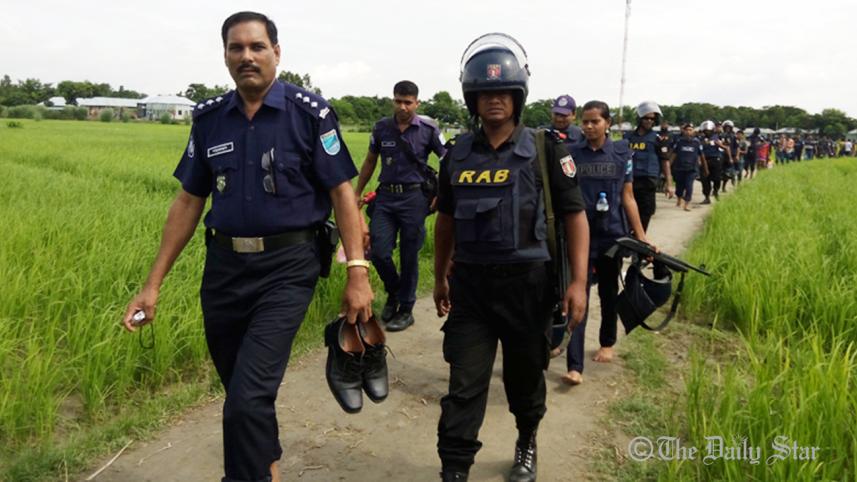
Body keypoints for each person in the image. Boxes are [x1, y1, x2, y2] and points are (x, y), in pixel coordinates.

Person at [121, 12, 373, 482]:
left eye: (257, 47)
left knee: (246, 397)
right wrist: (151, 285)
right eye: (236, 49)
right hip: (223, 270)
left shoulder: (310, 112)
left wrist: (356, 272)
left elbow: (343, 193)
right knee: (242, 389)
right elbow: (188, 200)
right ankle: (267, 465)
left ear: (276, 52)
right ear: (225, 56)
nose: (247, 57)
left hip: (288, 268)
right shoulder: (211, 119)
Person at [432, 33, 589, 482]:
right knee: (463, 387)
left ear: (518, 97)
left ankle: (526, 440)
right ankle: (455, 468)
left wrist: (578, 284)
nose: (494, 100)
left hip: (528, 287)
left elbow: (576, 217)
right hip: (472, 290)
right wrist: (440, 275)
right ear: (472, 99)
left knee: (524, 381)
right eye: (485, 93)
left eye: (503, 92)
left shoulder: (544, 149)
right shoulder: (456, 155)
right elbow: (446, 221)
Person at [559, 100, 651, 386]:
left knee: (609, 293)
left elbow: (628, 197)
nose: (588, 127)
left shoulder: (622, 153)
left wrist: (642, 237)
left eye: (595, 122)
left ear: (607, 123)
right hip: (580, 237)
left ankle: (607, 342)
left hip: (611, 235)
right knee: (577, 295)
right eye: (585, 122)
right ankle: (575, 365)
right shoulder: (571, 154)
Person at [354, 81, 446, 332]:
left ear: (417, 103)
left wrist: (443, 193)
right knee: (380, 251)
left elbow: (448, 160)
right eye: (398, 101)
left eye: (408, 102)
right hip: (385, 198)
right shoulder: (382, 128)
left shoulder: (428, 129)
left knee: (409, 256)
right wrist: (357, 192)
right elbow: (370, 160)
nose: (403, 106)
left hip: (414, 199)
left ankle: (406, 309)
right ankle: (394, 292)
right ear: (393, 100)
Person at [624, 101, 673, 232]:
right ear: (640, 118)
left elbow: (665, 161)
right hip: (629, 181)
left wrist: (669, 183)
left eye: (652, 118)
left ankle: (640, 243)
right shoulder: (627, 138)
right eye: (646, 118)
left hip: (648, 182)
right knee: (627, 214)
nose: (649, 121)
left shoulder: (658, 139)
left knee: (646, 214)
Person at [671, 122, 705, 210]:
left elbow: (701, 155)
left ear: (693, 131)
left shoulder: (696, 142)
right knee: (679, 186)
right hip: (680, 167)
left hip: (692, 168)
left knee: (689, 185)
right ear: (684, 131)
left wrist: (702, 165)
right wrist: (670, 165)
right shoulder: (679, 142)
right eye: (687, 130)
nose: (688, 132)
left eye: (690, 130)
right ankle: (679, 198)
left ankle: (687, 203)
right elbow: (674, 154)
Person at [699, 120, 728, 203]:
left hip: (715, 160)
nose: (707, 132)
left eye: (708, 130)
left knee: (717, 178)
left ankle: (715, 191)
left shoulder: (717, 137)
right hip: (705, 160)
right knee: (705, 180)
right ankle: (707, 197)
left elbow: (724, 147)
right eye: (705, 131)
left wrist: (719, 144)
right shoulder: (701, 139)